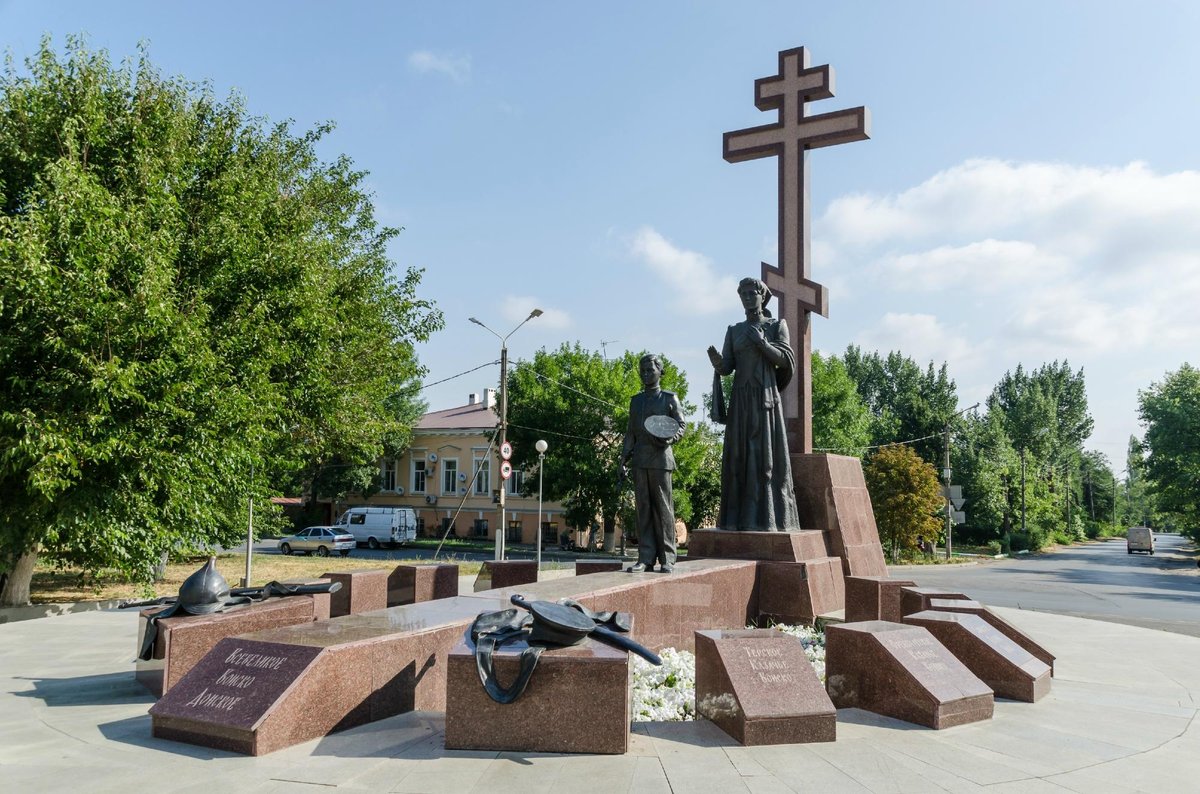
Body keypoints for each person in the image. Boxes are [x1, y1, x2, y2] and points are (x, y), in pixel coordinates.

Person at [707, 277, 802, 532]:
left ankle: (770, 517)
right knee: (738, 456)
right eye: (743, 294)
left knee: (765, 458)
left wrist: (762, 344)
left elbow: (785, 359)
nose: (748, 298)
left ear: (762, 296)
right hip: (741, 400)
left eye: (752, 293)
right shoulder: (734, 330)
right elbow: (728, 366)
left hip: (765, 399)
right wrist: (718, 363)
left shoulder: (775, 326)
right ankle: (736, 519)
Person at [620, 354, 685, 572]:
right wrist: (623, 459)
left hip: (661, 459)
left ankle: (667, 558)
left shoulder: (669, 398)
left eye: (650, 370)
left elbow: (681, 426)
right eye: (643, 370)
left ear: (660, 371)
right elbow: (631, 432)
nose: (646, 374)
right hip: (640, 459)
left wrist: (670, 438)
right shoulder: (636, 401)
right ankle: (646, 557)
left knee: (664, 509)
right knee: (643, 509)